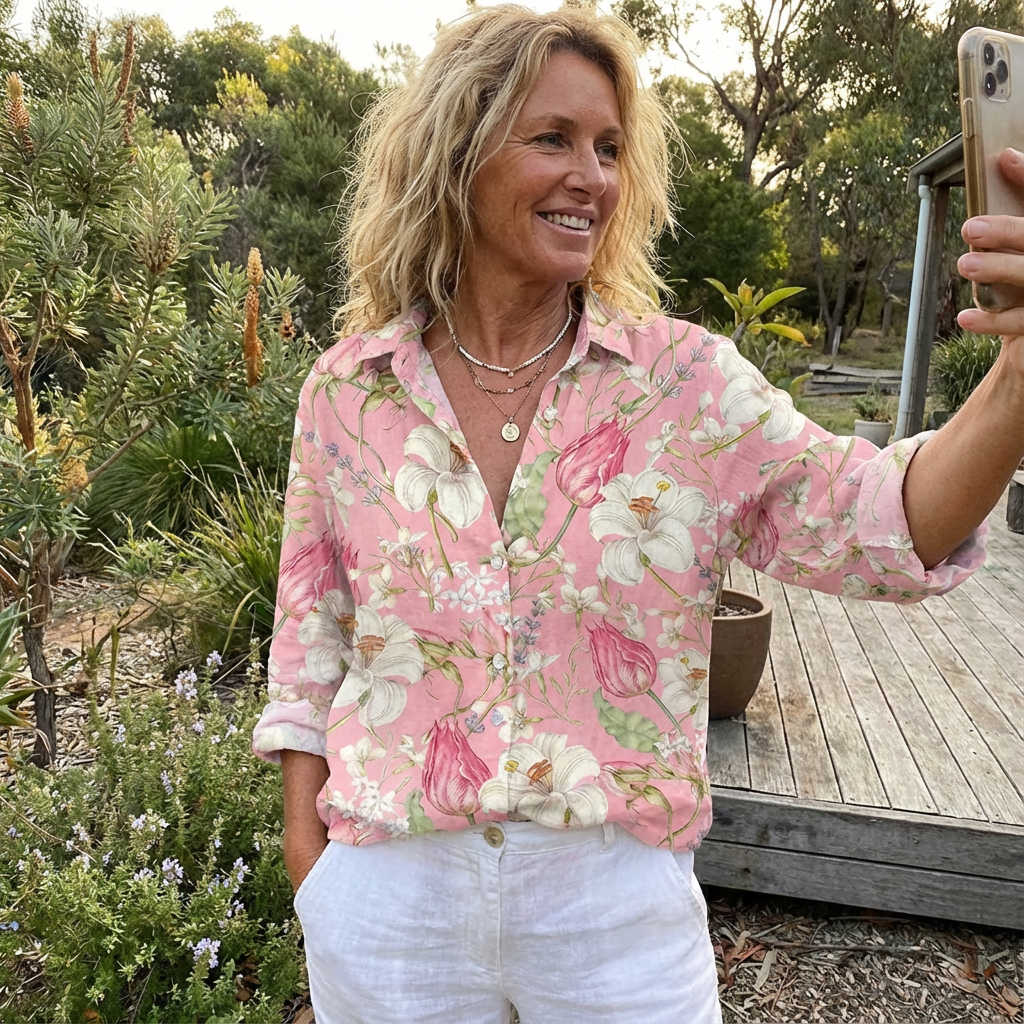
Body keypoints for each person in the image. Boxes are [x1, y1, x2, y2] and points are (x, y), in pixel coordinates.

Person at [252, 5, 1024, 1022]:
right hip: (393, 898)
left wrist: (1019, 372)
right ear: (456, 154)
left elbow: (885, 523)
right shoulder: (349, 389)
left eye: (610, 148)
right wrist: (315, 866)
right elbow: (311, 638)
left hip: (612, 908)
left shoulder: (681, 383)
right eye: (554, 139)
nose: (594, 177)